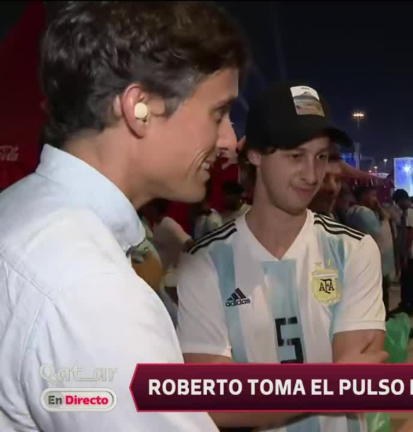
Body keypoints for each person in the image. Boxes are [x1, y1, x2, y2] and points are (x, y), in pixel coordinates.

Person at [0, 2, 248, 429]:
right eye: (218, 113)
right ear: (139, 108)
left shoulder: (22, 209)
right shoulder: (92, 291)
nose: (229, 140)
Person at [176, 81, 388, 430]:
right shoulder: (205, 261)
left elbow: (359, 382)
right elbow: (212, 401)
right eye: (295, 156)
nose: (311, 175)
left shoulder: (353, 249)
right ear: (255, 154)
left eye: (321, 156)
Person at [348, 185, 396, 316]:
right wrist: (383, 216)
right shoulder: (363, 212)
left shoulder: (353, 211)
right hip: (374, 262)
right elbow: (379, 233)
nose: (375, 199)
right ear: (364, 196)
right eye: (373, 196)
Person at [392, 189, 413, 316]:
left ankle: (409, 307)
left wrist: (404, 254)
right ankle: (407, 305)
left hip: (411, 253)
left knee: (408, 281)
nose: (398, 205)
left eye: (398, 202)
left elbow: (410, 233)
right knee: (409, 281)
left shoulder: (410, 212)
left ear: (402, 200)